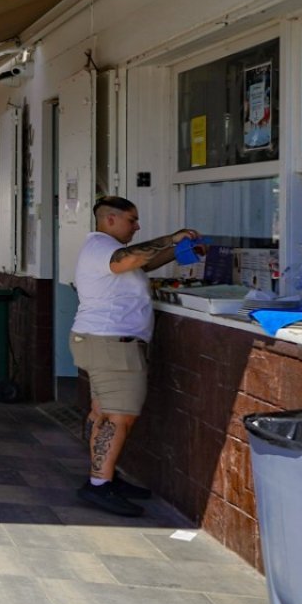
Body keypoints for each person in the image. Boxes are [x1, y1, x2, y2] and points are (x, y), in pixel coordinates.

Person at [71, 196, 201, 517]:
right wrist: (171, 238)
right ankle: (99, 485)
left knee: (104, 412)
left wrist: (177, 249)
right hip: (112, 344)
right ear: (110, 219)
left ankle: (103, 476)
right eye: (132, 220)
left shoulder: (107, 249)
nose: (137, 226)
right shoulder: (102, 247)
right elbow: (128, 259)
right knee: (119, 416)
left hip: (103, 342)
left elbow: (143, 262)